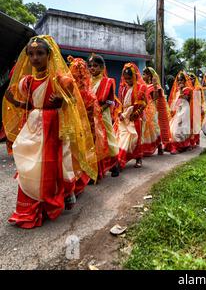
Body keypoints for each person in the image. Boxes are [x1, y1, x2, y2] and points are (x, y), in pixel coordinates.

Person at [3, 35, 97, 228]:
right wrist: (15, 102)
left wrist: (62, 102)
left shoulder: (61, 81)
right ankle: (28, 207)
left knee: (51, 165)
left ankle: (51, 201)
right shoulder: (27, 82)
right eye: (31, 54)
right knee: (29, 164)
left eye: (40, 53)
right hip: (33, 126)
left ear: (49, 55)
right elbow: (29, 105)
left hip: (53, 126)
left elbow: (74, 104)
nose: (35, 58)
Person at [68, 56, 109, 189]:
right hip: (75, 125)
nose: (78, 76)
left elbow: (92, 112)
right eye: (75, 72)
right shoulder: (70, 90)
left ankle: (90, 174)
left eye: (80, 73)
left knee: (88, 148)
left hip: (87, 126)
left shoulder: (88, 92)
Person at [88, 54, 120, 177]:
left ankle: (114, 165)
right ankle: (97, 170)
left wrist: (100, 109)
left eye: (95, 66)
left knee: (107, 138)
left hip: (103, 115)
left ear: (102, 67)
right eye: (90, 66)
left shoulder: (108, 82)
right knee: (93, 140)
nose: (92, 68)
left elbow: (110, 101)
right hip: (90, 115)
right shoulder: (87, 81)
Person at [116, 63, 147, 169]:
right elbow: (120, 103)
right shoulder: (123, 88)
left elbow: (144, 103)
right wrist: (119, 112)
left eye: (129, 78)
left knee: (136, 139)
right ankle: (120, 160)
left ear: (135, 77)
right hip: (124, 117)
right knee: (123, 139)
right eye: (126, 79)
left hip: (134, 117)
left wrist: (136, 113)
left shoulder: (140, 87)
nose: (127, 81)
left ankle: (138, 159)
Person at [142, 67, 172, 155]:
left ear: (149, 76)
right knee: (147, 130)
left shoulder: (156, 86)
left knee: (155, 129)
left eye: (144, 74)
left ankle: (159, 147)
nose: (142, 76)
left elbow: (155, 98)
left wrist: (154, 86)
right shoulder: (144, 85)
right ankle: (145, 148)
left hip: (153, 110)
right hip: (145, 109)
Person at [168, 72, 194, 154]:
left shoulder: (188, 89)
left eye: (181, 80)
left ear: (185, 80)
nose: (179, 82)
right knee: (174, 129)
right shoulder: (177, 91)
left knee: (181, 128)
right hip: (178, 111)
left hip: (184, 110)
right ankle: (179, 146)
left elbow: (185, 98)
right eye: (178, 80)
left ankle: (180, 147)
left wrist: (181, 91)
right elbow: (175, 101)